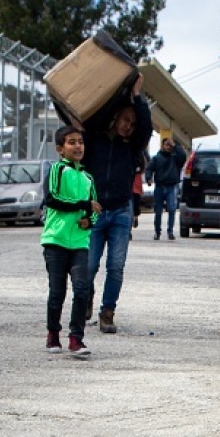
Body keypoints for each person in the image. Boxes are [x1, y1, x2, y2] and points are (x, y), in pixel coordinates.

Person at [84, 75, 152, 335]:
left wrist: (138, 98)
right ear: (115, 119)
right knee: (89, 264)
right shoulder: (95, 141)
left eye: (132, 123)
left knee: (116, 265)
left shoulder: (132, 147)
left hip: (121, 212)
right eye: (125, 120)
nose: (128, 126)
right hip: (96, 211)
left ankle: (108, 311)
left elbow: (146, 128)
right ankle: (86, 295)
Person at [43, 126, 102, 357]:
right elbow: (53, 199)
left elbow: (95, 206)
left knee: (82, 289)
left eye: (80, 142)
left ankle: (76, 338)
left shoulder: (88, 177)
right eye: (71, 142)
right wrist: (83, 206)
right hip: (55, 240)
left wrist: (91, 219)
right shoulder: (57, 170)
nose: (78, 146)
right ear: (60, 149)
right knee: (57, 291)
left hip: (79, 242)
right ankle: (52, 334)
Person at [144, 135, 187, 241]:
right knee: (158, 211)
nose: (168, 147)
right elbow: (149, 169)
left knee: (172, 209)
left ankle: (170, 232)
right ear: (162, 145)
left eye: (170, 145)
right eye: (166, 145)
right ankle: (157, 232)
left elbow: (183, 157)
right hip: (159, 187)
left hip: (172, 187)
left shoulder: (175, 158)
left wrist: (176, 145)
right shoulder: (157, 158)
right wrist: (148, 178)